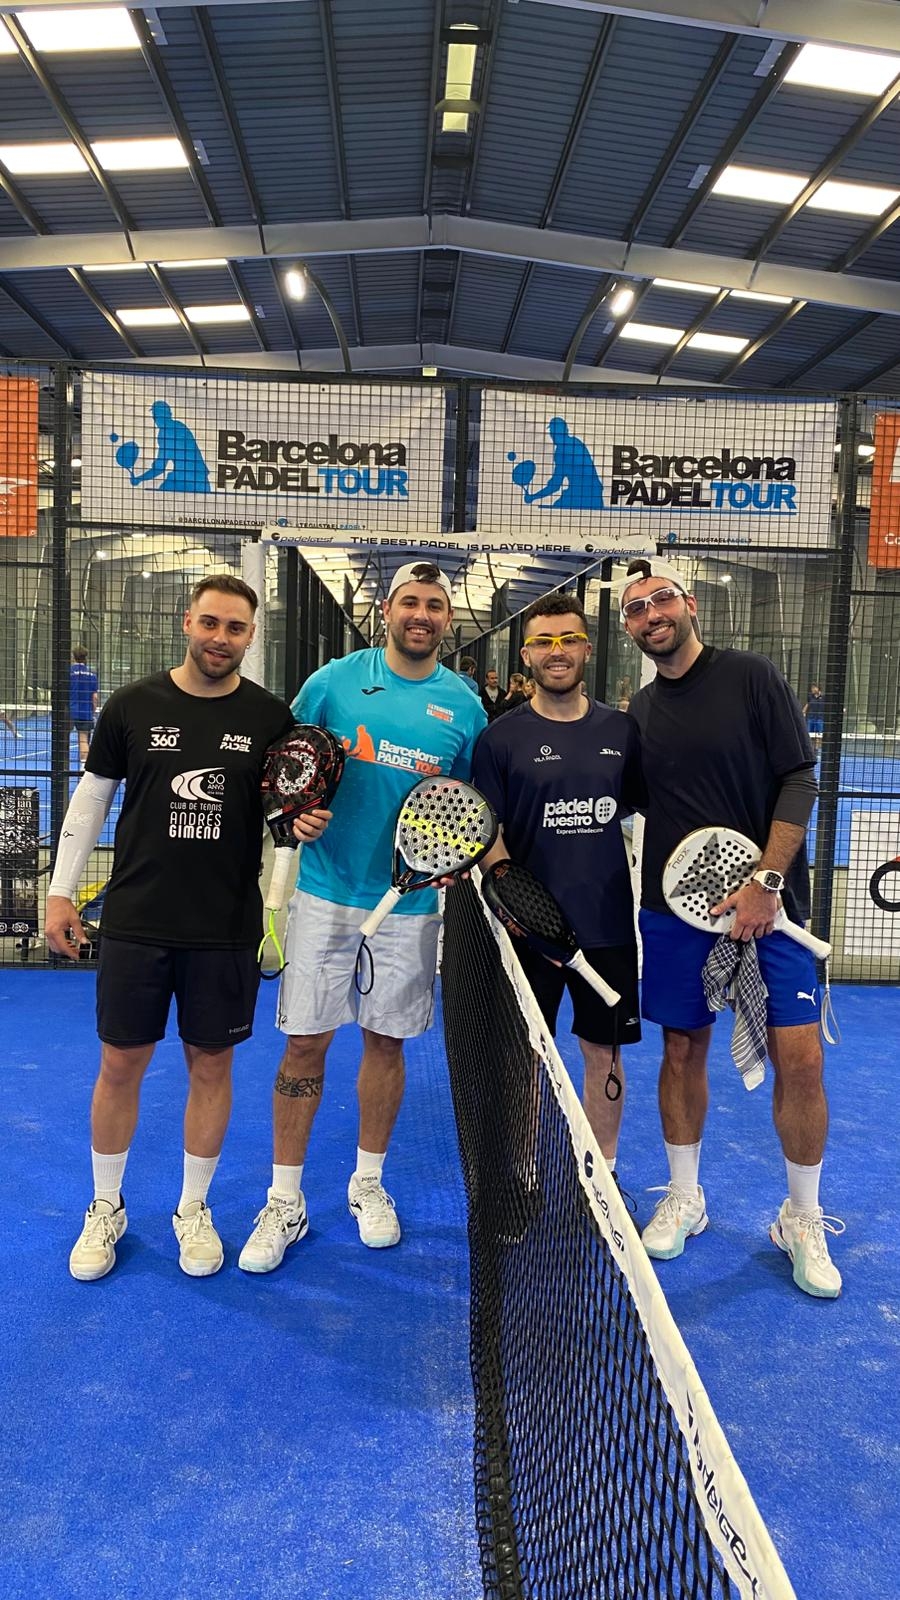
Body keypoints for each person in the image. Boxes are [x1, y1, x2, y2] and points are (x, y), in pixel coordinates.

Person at [45, 575, 296, 1283]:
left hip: (225, 926)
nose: (221, 638)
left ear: (250, 636)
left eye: (236, 628)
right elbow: (92, 801)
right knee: (120, 1064)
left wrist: (298, 828)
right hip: (136, 920)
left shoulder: (270, 717)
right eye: (210, 623)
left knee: (211, 1066)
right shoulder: (132, 705)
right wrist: (60, 894)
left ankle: (193, 1208)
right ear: (188, 623)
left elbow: (284, 817)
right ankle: (106, 1206)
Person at [239, 560, 486, 1273]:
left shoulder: (465, 706)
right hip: (324, 896)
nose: (421, 615)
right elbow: (285, 768)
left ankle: (367, 1183)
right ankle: (284, 1200)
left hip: (409, 908)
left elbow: (467, 799)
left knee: (386, 1044)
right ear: (387, 611)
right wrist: (294, 814)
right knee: (304, 1047)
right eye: (410, 602)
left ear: (447, 618)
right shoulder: (334, 682)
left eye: (434, 605)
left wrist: (458, 857)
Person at [621, 557, 841, 1299]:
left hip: (770, 909)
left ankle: (800, 1218)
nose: (650, 615)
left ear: (688, 605)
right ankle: (686, 1197)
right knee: (681, 1048)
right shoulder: (640, 712)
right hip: (675, 914)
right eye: (635, 609)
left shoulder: (751, 677)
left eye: (660, 600)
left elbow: (799, 777)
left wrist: (766, 883)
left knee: (800, 1060)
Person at [473, 592, 643, 1178]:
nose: (557, 651)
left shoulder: (621, 730)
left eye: (569, 639)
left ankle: (602, 1178)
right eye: (543, 642)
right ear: (526, 656)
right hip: (529, 935)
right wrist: (517, 904)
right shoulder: (500, 739)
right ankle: (521, 1174)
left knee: (605, 1052)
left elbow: (639, 806)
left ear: (587, 648)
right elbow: (487, 833)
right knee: (524, 1056)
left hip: (606, 927)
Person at [69, 647, 99, 768]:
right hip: (84, 711)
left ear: (73, 657)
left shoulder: (67, 673)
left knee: (62, 738)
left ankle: (62, 764)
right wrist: (93, 710)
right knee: (83, 739)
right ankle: (84, 767)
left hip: (68, 711)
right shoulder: (92, 675)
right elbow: (95, 697)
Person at [803, 684, 825, 755]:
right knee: (810, 734)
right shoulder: (810, 697)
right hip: (811, 718)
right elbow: (807, 705)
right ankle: (810, 750)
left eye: (814, 688)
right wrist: (803, 712)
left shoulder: (824, 697)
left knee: (818, 735)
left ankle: (816, 750)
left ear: (818, 688)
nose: (812, 689)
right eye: (811, 688)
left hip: (820, 718)